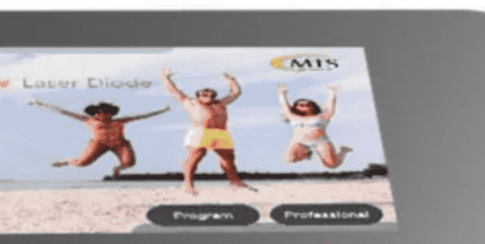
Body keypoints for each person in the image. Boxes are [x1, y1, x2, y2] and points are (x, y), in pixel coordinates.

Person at [159, 68, 256, 196]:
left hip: (221, 133)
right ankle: (187, 184)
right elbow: (173, 91)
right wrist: (166, 78)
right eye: (204, 94)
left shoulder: (221, 103)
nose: (208, 96)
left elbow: (235, 93)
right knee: (195, 157)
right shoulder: (191, 103)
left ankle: (235, 182)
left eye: (211, 94)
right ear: (198, 95)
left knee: (228, 158)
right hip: (200, 131)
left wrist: (232, 80)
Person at [28, 100, 168, 177]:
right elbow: (64, 112)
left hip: (119, 144)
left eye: (101, 113)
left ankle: (117, 169)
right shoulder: (89, 120)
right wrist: (40, 104)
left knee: (129, 163)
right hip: (99, 144)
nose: (98, 116)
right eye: (96, 114)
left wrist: (163, 110)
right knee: (82, 163)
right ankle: (67, 161)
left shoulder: (119, 121)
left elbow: (143, 116)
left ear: (109, 113)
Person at [277, 83, 352, 169]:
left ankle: (343, 151)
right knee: (288, 159)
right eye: (301, 105)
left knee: (332, 164)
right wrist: (282, 94)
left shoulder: (321, 117)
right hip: (300, 142)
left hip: (321, 142)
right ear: (295, 108)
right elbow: (285, 108)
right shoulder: (293, 117)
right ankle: (306, 153)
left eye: (307, 105)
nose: (304, 106)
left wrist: (332, 93)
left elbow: (330, 109)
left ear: (314, 107)